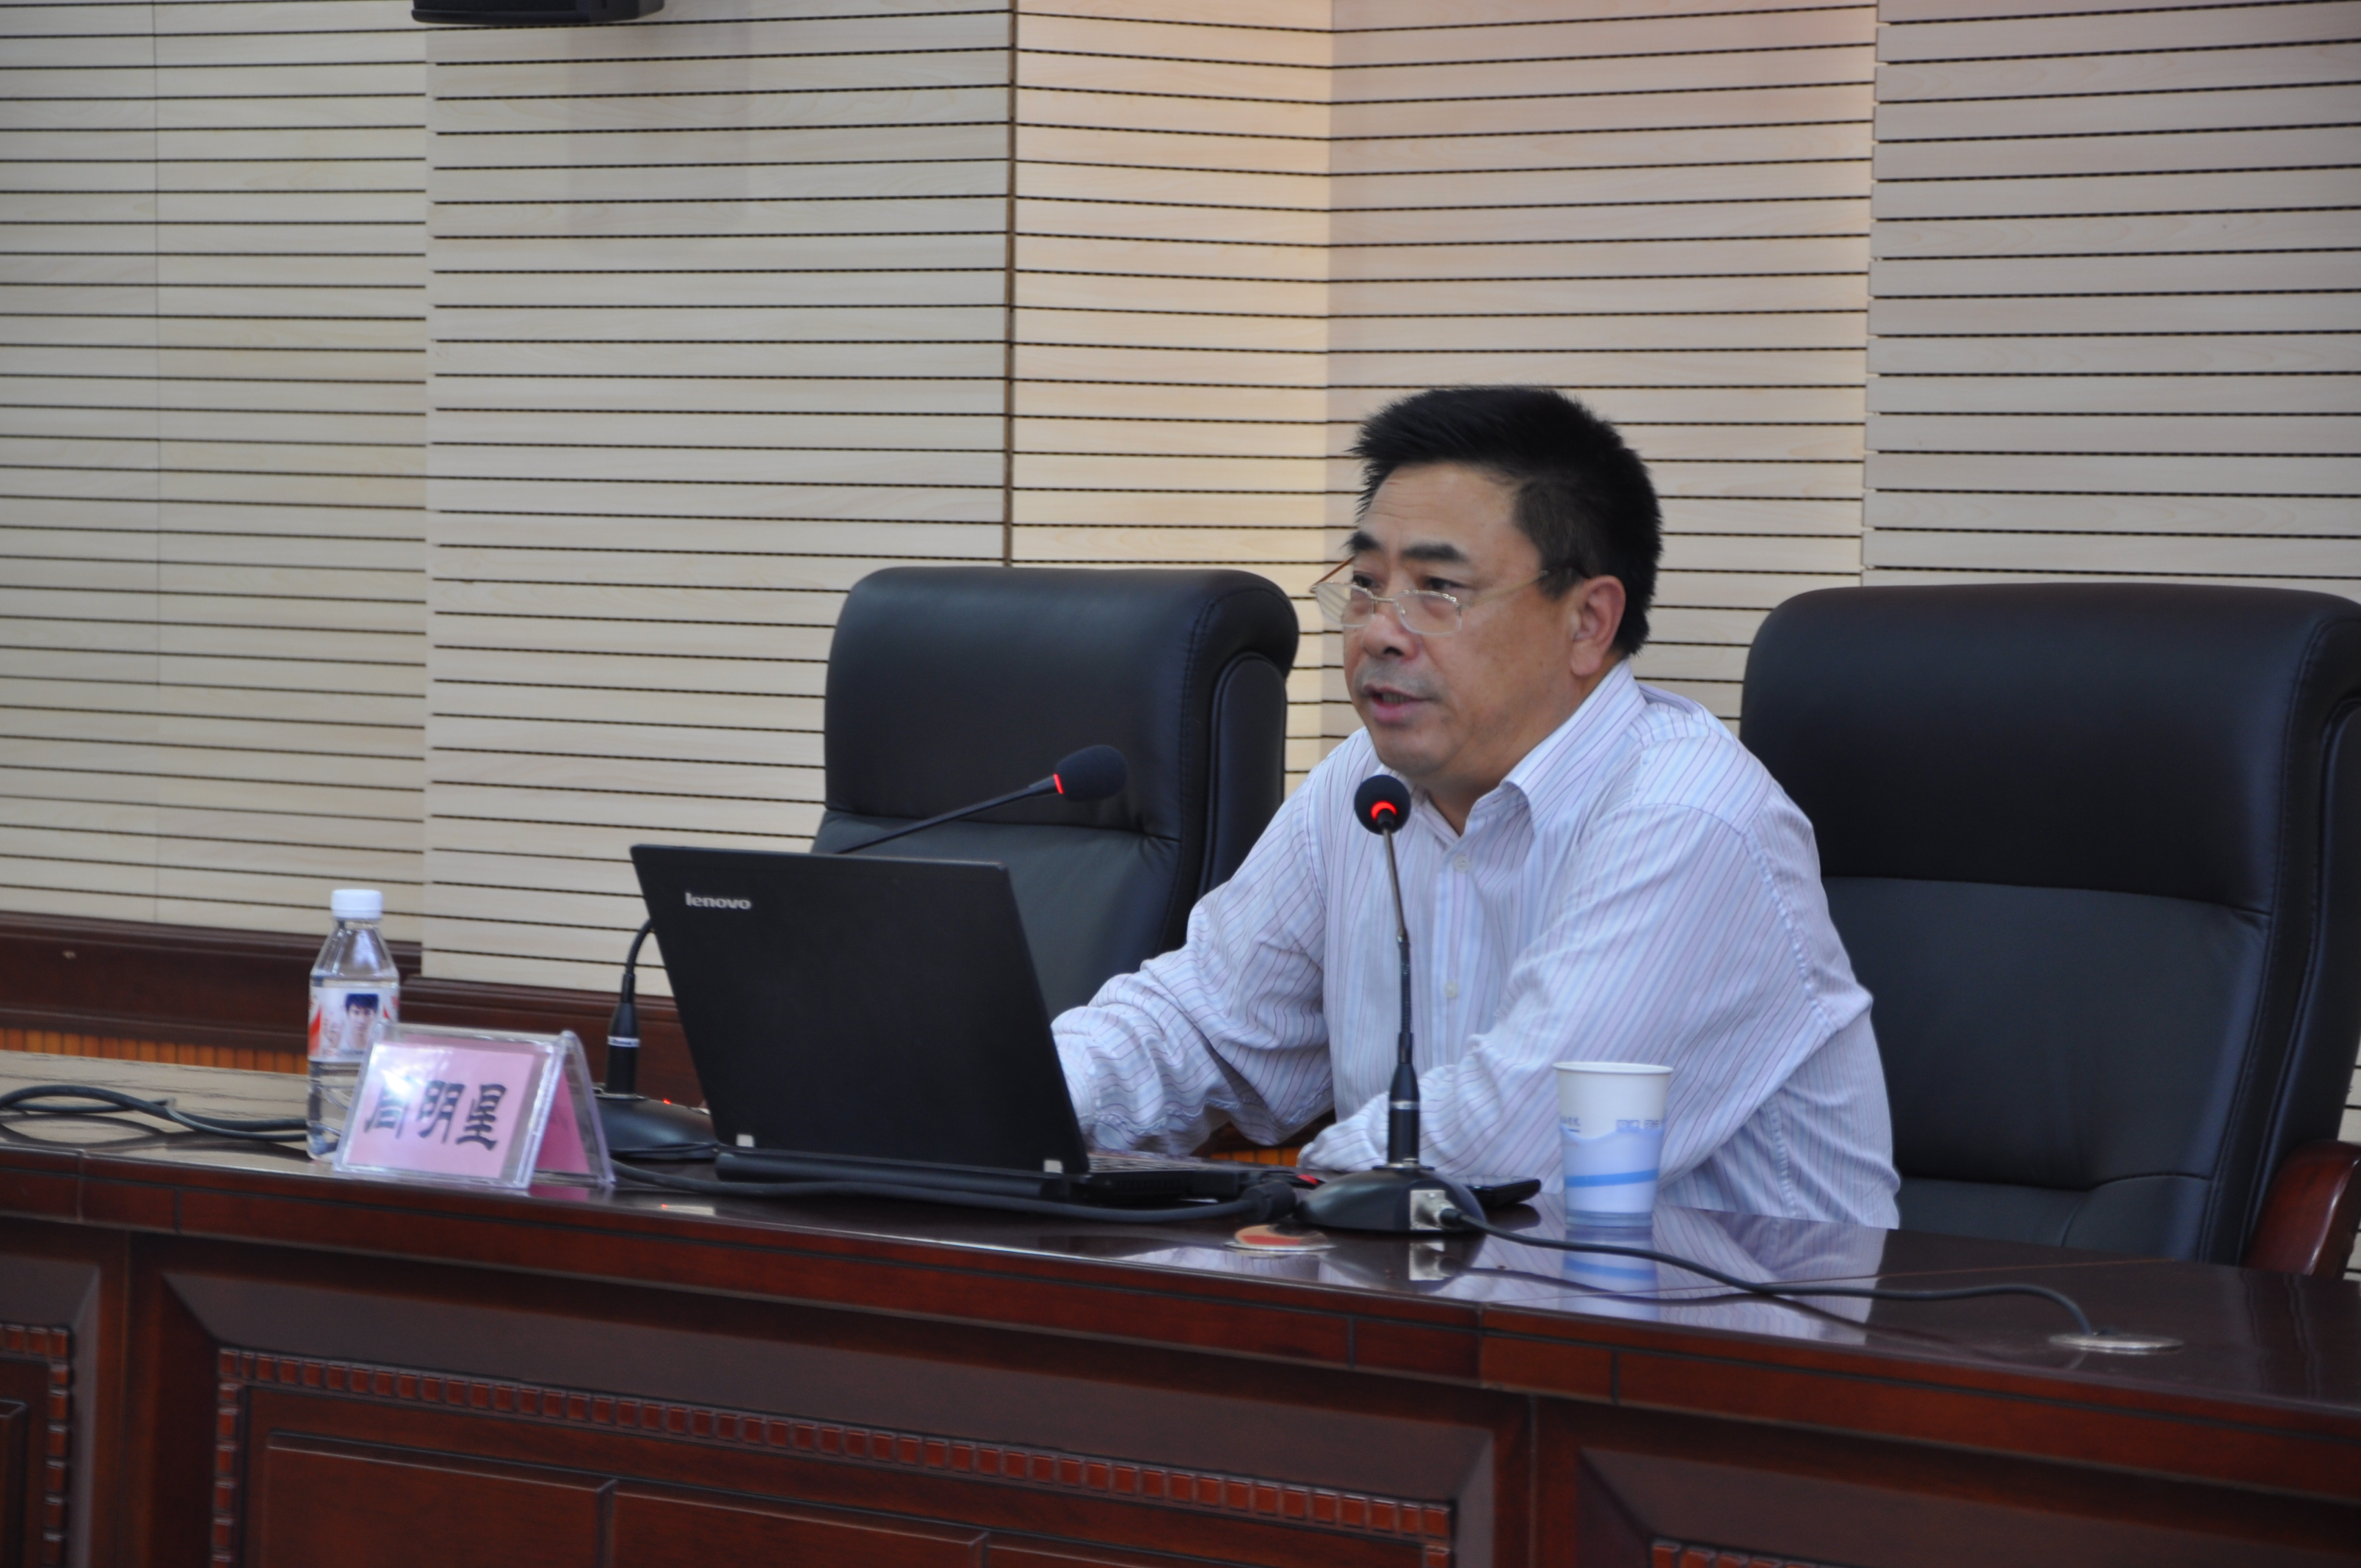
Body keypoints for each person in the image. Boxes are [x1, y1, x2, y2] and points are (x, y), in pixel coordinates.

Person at [1052, 386, 1898, 1227]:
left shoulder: (1688, 818)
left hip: (1738, 1304)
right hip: (1441, 1289)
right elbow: (1202, 1024)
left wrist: (1275, 1196)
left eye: (1437, 590)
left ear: (1587, 622)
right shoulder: (1365, 786)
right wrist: (1018, 1100)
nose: (1379, 631)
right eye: (1367, 584)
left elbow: (1512, 1140)